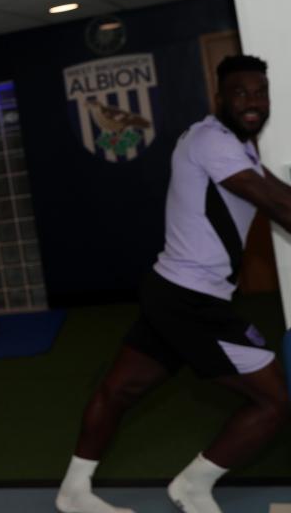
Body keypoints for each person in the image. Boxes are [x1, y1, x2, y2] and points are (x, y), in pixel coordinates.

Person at [56, 55, 290, 513]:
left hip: (172, 291)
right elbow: (276, 205)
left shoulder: (230, 143)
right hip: (190, 300)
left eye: (260, 92)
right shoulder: (215, 141)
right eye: (241, 93)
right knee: (275, 402)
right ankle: (193, 486)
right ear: (220, 97)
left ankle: (73, 491)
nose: (253, 102)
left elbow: (276, 191)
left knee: (119, 390)